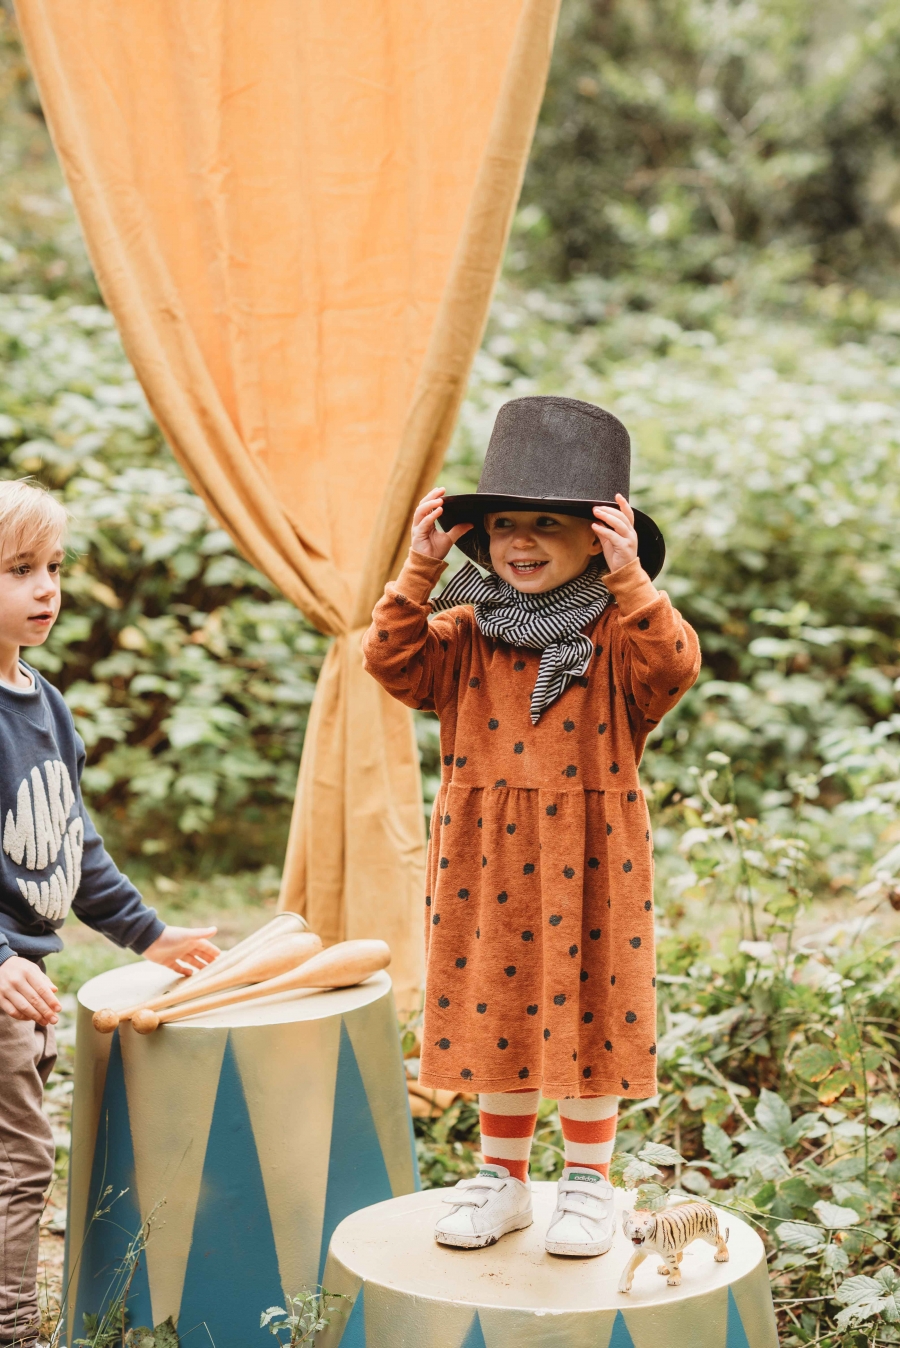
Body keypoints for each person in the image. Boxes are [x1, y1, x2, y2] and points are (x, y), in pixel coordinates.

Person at [363, 396, 700, 1256]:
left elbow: (675, 664)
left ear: (599, 538)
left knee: (593, 1006)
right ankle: (502, 1181)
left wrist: (633, 586)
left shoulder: (618, 636)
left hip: (594, 859)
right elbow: (390, 661)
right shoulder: (465, 632)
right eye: (506, 522)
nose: (522, 540)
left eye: (549, 524)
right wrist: (415, 573)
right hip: (486, 858)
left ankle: (588, 1184)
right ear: (478, 536)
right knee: (492, 1003)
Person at [0, 479, 220, 1348]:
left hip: (29, 985)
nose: (47, 588)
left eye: (53, 567)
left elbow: (72, 844)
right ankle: (12, 1326)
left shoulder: (45, 705)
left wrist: (149, 933)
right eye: (19, 570)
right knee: (19, 1164)